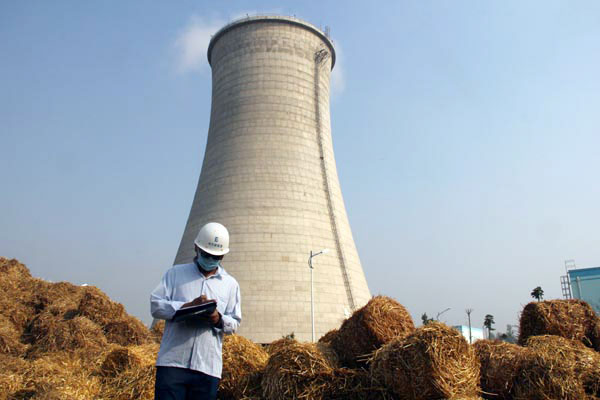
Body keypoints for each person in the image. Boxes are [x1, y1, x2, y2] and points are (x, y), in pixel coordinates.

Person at [151, 222, 242, 400]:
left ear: (223, 255)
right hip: (173, 364)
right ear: (196, 248)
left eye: (216, 257)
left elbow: (235, 323)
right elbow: (156, 305)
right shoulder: (175, 274)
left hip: (207, 367)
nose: (210, 260)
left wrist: (217, 318)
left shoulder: (230, 285)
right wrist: (184, 307)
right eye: (207, 254)